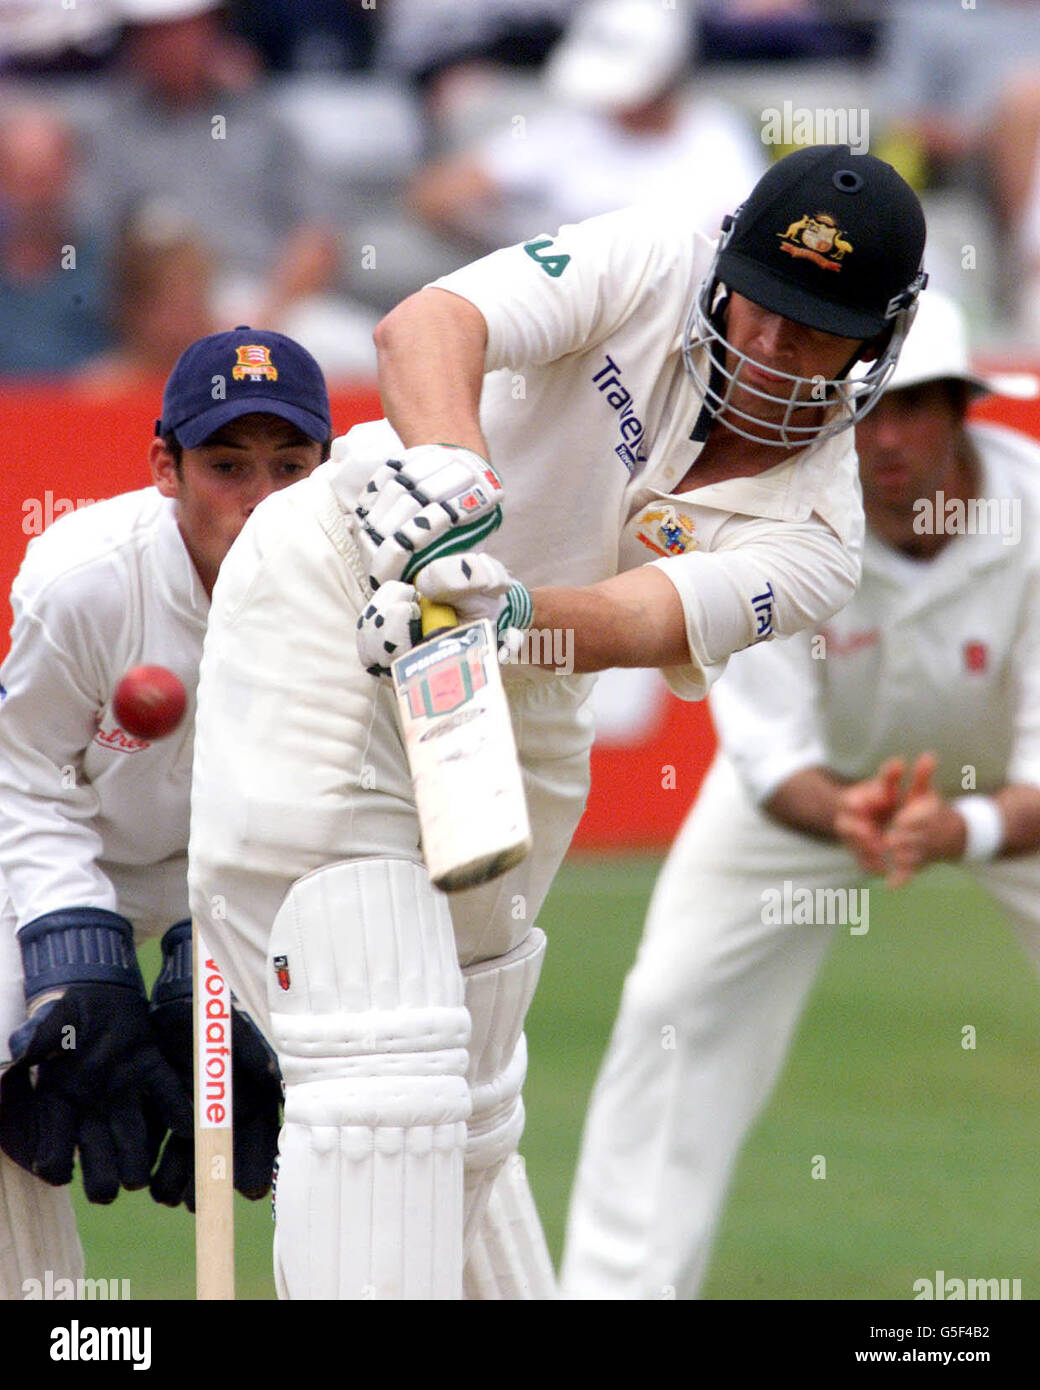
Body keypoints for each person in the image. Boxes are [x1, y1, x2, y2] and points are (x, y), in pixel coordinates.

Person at [186, 143, 927, 1299]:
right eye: (765, 308)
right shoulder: (652, 255)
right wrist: (452, 485)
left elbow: (637, 617)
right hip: (336, 584)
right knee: (383, 1056)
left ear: (873, 347)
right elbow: (424, 327)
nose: (774, 349)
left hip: (516, 699)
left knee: (466, 1102)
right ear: (726, 266)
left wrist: (501, 612)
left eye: (817, 330)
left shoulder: (822, 535)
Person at [559, 289, 1040, 1300]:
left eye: (916, 408)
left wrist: (965, 824)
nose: (888, 439)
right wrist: (852, 813)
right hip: (815, 798)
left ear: (963, 409)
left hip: (1005, 797)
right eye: (868, 409)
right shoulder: (773, 517)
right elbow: (771, 758)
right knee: (672, 1007)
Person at [0, 326, 333, 1299]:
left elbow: (344, 805)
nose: (259, 497)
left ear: (325, 466)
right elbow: (21, 773)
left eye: (289, 466)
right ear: (164, 465)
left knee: (364, 1085)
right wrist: (79, 962)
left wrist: (215, 960)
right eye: (227, 465)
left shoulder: (368, 595)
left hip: (249, 870)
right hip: (64, 847)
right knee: (22, 1073)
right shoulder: (86, 580)